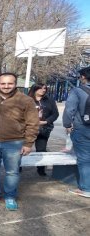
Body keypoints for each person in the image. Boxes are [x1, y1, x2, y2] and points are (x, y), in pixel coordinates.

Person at [0, 73, 39, 211]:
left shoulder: (25, 100)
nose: (6, 86)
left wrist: (28, 143)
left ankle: (10, 196)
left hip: (14, 142)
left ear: (15, 83)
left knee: (12, 172)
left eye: (10, 83)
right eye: (3, 83)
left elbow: (33, 123)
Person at [63, 66, 90, 198]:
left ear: (83, 77)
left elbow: (69, 109)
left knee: (84, 159)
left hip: (83, 128)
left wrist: (67, 124)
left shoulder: (78, 91)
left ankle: (86, 188)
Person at [28, 83, 59, 176]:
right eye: (41, 88)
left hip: (43, 129)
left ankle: (41, 169)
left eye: (45, 88)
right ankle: (18, 167)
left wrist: (46, 122)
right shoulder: (26, 100)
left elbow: (55, 114)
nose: (43, 90)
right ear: (34, 89)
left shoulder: (49, 100)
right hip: (28, 129)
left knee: (41, 149)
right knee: (23, 148)